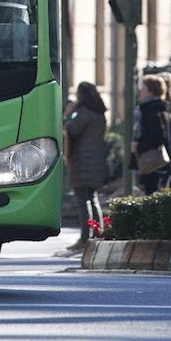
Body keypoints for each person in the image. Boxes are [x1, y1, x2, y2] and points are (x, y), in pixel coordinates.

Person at [63, 81, 108, 250]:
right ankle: (98, 232)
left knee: (82, 201)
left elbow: (71, 130)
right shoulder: (99, 114)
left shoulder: (83, 113)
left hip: (82, 162)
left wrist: (69, 114)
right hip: (96, 161)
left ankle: (84, 237)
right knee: (93, 198)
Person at [133, 74, 170, 195]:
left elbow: (157, 135)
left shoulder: (152, 109)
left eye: (143, 88)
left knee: (151, 191)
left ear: (150, 91)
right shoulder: (154, 107)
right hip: (150, 157)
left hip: (152, 159)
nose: (140, 91)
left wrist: (139, 146)